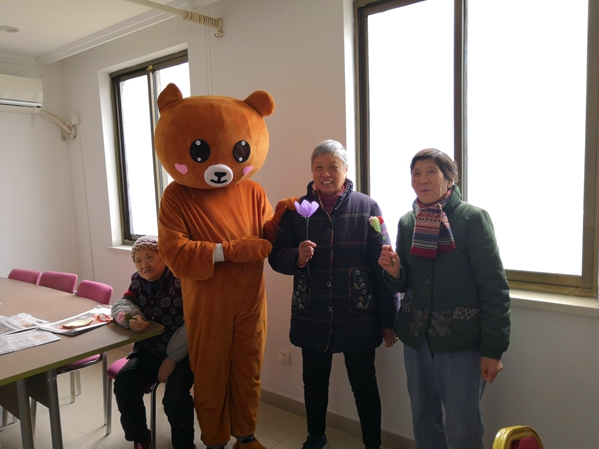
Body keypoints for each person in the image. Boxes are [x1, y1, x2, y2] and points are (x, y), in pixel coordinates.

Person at [268, 139, 400, 449]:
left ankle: (373, 444)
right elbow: (275, 256)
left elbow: (382, 265)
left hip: (358, 314)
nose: (325, 174)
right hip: (312, 314)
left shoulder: (368, 207)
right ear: (311, 171)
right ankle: (316, 437)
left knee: (364, 385)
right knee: (314, 384)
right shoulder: (296, 210)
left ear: (346, 169)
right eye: (318, 167)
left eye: (333, 167)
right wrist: (297, 257)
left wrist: (389, 320)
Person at [378, 148, 511, 449]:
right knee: (423, 418)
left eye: (431, 172)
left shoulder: (471, 219)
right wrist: (394, 271)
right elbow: (405, 281)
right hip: (417, 339)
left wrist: (493, 350)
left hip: (460, 341)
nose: (422, 179)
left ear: (450, 179)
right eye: (416, 173)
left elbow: (494, 288)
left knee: (462, 425)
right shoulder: (408, 222)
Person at [112, 235, 195, 449]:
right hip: (148, 350)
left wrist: (172, 358)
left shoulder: (181, 279)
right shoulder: (137, 281)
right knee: (124, 383)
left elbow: (194, 322)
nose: (144, 265)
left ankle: (184, 445)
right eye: (138, 260)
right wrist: (131, 318)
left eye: (149, 257)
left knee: (175, 399)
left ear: (164, 256)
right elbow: (121, 304)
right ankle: (140, 437)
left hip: (183, 355)